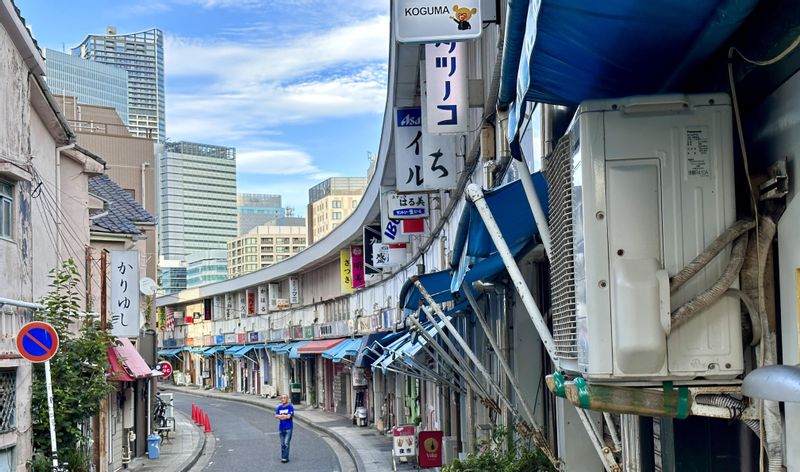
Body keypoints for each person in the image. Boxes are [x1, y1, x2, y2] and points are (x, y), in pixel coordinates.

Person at [275, 394, 295, 463]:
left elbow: (289, 417)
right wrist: (284, 416)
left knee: (286, 443)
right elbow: (276, 416)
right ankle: (283, 456)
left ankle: (285, 458)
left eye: (284, 398)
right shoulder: (279, 407)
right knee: (282, 444)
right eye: (281, 398)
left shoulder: (290, 407)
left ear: (287, 399)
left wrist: (281, 416)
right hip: (281, 428)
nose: (282, 399)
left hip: (288, 428)